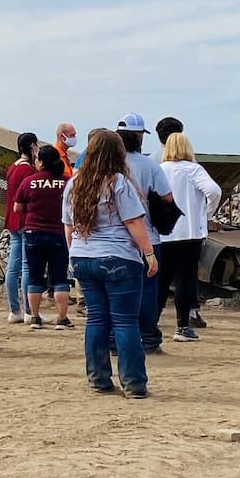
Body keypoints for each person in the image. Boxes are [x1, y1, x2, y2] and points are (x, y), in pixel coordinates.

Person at [65, 127, 157, 397]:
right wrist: (148, 253)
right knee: (125, 321)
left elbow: (68, 226)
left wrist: (76, 254)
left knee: (96, 319)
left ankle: (98, 378)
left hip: (84, 256)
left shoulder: (75, 183)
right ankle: (134, 383)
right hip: (118, 257)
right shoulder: (118, 183)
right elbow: (133, 221)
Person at [115, 114, 175, 353]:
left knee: (117, 293)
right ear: (139, 137)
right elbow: (167, 197)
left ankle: (115, 339)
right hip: (147, 235)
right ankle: (149, 338)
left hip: (117, 238)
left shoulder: (107, 165)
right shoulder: (150, 164)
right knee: (148, 291)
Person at [157, 132, 221, 342]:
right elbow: (214, 191)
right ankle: (182, 326)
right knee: (185, 280)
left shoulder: (159, 169)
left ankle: (151, 323)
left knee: (160, 281)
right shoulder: (193, 169)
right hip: (189, 233)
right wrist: (205, 213)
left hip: (162, 234)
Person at [15, 143, 72, 327]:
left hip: (33, 233)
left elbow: (18, 207)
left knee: (34, 277)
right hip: (58, 234)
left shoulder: (30, 181)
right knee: (60, 278)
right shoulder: (65, 182)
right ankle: (62, 319)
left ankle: (35, 317)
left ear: (40, 162)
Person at [3, 132, 39, 324]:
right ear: (32, 146)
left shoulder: (13, 167)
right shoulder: (28, 170)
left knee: (13, 266)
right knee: (26, 266)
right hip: (25, 219)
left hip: (12, 219)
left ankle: (14, 309)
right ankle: (29, 310)